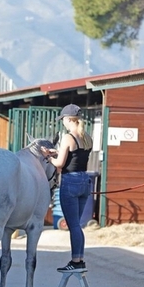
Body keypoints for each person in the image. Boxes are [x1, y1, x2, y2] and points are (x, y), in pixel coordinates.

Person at [41, 104, 93, 272]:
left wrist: (48, 157)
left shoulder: (67, 137)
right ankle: (80, 258)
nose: (62, 122)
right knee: (77, 225)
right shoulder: (87, 137)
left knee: (73, 225)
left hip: (70, 182)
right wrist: (56, 152)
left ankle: (75, 261)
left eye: (63, 119)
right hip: (85, 180)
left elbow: (60, 164)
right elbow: (74, 156)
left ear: (70, 119)